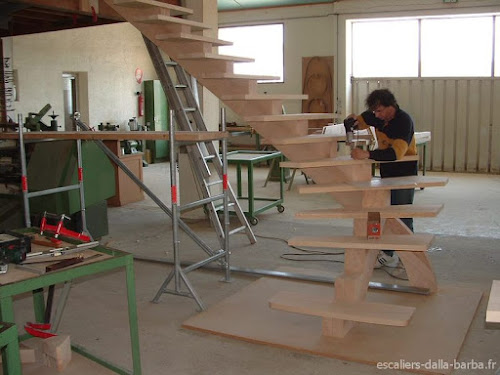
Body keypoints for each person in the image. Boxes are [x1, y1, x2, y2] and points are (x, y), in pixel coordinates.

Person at [348, 89, 418, 268]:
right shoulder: (377, 116)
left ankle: (408, 256)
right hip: (386, 173)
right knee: (381, 214)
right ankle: (387, 253)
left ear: (391, 106)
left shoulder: (404, 121)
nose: (376, 115)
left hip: (404, 173)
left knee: (402, 214)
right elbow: (360, 121)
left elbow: (396, 153)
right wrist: (351, 122)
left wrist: (367, 154)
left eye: (379, 111)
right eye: (374, 111)